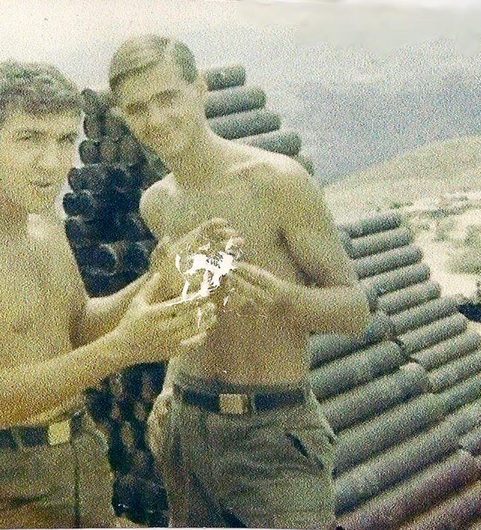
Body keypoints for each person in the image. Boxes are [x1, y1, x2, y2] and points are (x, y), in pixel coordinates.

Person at [0, 60, 229, 529]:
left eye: (64, 141)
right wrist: (123, 348)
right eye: (29, 139)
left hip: (79, 463)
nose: (51, 162)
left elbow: (77, 326)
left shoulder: (44, 223)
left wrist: (160, 278)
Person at [109, 35, 371, 529]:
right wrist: (168, 385)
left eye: (168, 98)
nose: (156, 119)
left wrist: (288, 301)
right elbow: (190, 305)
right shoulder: (157, 203)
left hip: (272, 430)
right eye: (138, 109)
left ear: (200, 90)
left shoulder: (275, 182)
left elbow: (355, 310)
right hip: (186, 423)